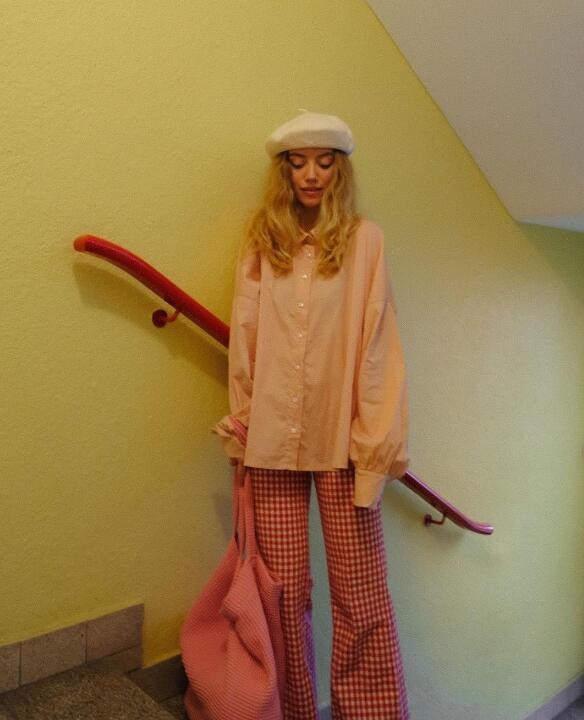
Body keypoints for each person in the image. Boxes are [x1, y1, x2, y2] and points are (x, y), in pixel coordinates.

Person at [214, 111, 410, 720]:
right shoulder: (261, 239)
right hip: (272, 439)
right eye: (298, 163)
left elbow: (377, 345)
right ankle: (293, 710)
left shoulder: (365, 240)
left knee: (361, 596)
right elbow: (245, 332)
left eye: (325, 163)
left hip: (343, 441)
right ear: (283, 171)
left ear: (340, 170)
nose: (311, 175)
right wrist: (244, 419)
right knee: (281, 595)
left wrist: (374, 444)